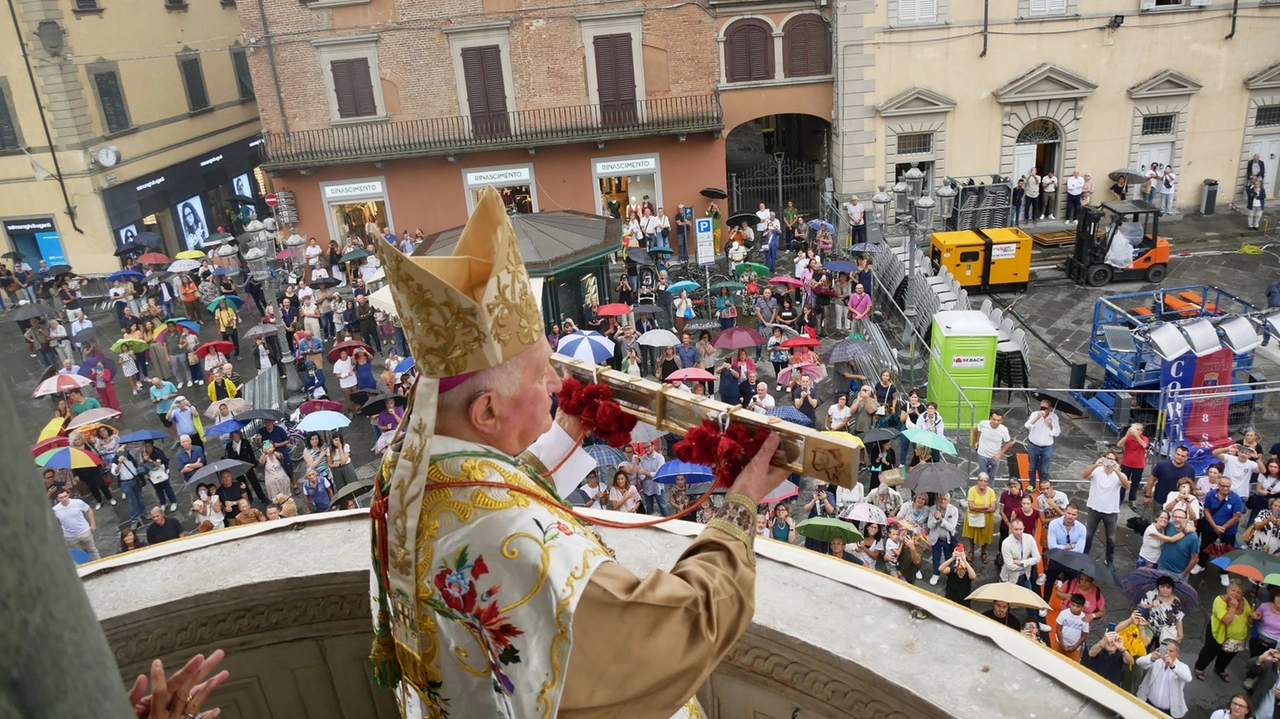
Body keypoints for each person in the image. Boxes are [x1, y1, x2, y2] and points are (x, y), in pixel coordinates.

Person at [1196, 581, 1253, 682]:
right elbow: (1227, 620)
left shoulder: (1244, 601)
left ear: (1242, 594)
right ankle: (1199, 668)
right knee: (1210, 651)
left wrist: (1253, 617)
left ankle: (1220, 669)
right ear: (1227, 590)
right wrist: (1233, 607)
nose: (1235, 594)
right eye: (1232, 590)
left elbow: (1249, 620)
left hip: (1236, 638)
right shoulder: (1219, 600)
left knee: (1228, 655)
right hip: (1218, 633)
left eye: (1238, 592)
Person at [1083, 450, 1127, 571]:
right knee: (1088, 534)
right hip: (1094, 508)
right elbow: (1084, 475)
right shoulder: (1097, 470)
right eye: (1107, 458)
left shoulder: (1119, 475)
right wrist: (1096, 465)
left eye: (1112, 459)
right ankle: (1084, 555)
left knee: (1111, 538)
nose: (1109, 461)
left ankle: (1109, 560)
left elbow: (1126, 485)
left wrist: (1117, 470)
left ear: (1116, 462)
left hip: (1111, 511)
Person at [1202, 468, 1245, 586]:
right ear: (1218, 485)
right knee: (1205, 545)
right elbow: (1206, 510)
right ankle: (1201, 564)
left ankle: (1224, 572)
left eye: (1228, 486)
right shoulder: (1210, 494)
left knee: (1227, 551)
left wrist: (1222, 528)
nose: (1225, 488)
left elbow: (1236, 516)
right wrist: (1214, 526)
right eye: (1223, 486)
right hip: (1211, 527)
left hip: (1228, 531)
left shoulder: (1235, 498)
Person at [1137, 640, 1192, 718]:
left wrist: (1173, 666)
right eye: (1165, 650)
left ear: (1177, 654)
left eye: (1171, 651)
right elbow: (1139, 662)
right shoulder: (1156, 660)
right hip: (1148, 703)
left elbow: (1188, 678)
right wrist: (1151, 659)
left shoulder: (1181, 666)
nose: (1168, 653)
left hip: (1168, 711)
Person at [1146, 445, 1195, 516]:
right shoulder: (1162, 465)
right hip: (1160, 500)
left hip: (1179, 503)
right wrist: (1147, 495)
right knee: (1158, 522)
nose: (1179, 457)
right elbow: (1151, 479)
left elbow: (1191, 486)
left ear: (1186, 458)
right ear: (1174, 453)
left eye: (1182, 456)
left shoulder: (1190, 470)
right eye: (1178, 454)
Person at [52, 490, 99, 560]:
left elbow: (89, 510)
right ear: (58, 499)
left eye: (65, 496)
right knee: (79, 556)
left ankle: (102, 568)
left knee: (92, 550)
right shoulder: (55, 510)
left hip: (84, 531)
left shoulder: (78, 502)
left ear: (68, 495)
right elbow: (56, 522)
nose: (64, 499)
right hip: (70, 536)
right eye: (61, 497)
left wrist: (93, 524)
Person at [1024, 399, 1060, 484]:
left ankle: (1043, 486)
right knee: (1032, 467)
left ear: (1050, 408)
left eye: (1045, 408)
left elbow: (1057, 433)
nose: (1043, 410)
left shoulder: (1054, 417)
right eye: (1041, 407)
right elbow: (1027, 426)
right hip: (1033, 445)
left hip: (1047, 447)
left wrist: (1051, 425)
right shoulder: (1034, 414)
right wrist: (1037, 418)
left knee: (1044, 469)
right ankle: (1032, 484)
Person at [963, 472, 997, 563]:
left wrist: (979, 509)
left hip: (986, 518)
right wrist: (986, 507)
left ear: (987, 483)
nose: (982, 483)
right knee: (971, 535)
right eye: (981, 480)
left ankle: (983, 552)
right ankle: (971, 550)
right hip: (973, 516)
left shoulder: (991, 492)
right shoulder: (972, 490)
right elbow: (971, 506)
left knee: (985, 535)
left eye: (985, 481)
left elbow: (993, 508)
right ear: (977, 481)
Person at [970, 410, 1012, 479]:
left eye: (998, 420)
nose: (996, 422)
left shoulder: (1004, 430)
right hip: (982, 454)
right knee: (983, 475)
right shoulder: (983, 424)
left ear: (1002, 421)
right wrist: (976, 441)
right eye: (994, 419)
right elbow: (977, 431)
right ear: (990, 418)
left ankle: (990, 488)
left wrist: (999, 454)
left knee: (991, 476)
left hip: (994, 456)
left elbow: (1009, 443)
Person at [999, 517, 1040, 587]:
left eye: (1020, 529)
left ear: (1023, 528)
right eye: (1016, 529)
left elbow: (1037, 558)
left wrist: (1022, 563)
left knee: (1028, 597)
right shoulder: (1006, 543)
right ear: (1011, 529)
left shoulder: (1029, 538)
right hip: (1009, 579)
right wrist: (1028, 564)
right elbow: (1009, 566)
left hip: (1025, 577)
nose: (1019, 532)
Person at [1055, 594, 1090, 661]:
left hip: (1075, 647)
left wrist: (1075, 647)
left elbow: (1084, 636)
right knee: (1055, 660)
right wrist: (1062, 644)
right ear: (1070, 603)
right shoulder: (1063, 613)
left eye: (1078, 606)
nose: (1074, 608)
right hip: (1060, 643)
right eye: (1073, 605)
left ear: (1082, 608)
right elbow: (1058, 630)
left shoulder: (1084, 619)